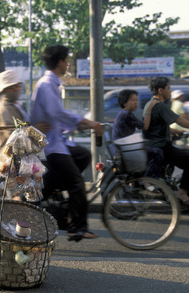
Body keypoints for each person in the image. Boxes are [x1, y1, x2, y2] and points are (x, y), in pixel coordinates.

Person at [29, 45, 103, 241]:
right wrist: (89, 123)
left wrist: (82, 125)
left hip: (58, 142)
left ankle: (54, 191)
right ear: (60, 61)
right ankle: (76, 227)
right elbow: (58, 114)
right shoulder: (46, 85)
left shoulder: (52, 84)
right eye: (67, 60)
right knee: (77, 182)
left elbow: (56, 118)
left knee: (84, 155)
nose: (68, 63)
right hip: (52, 147)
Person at [143, 77, 189, 206]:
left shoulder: (150, 103)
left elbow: (156, 125)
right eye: (168, 88)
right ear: (160, 90)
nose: (170, 91)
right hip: (162, 146)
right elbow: (179, 120)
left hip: (153, 144)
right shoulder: (160, 105)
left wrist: (174, 131)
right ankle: (182, 193)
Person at [111, 89, 163, 179]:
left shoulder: (124, 114)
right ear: (124, 103)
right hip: (124, 149)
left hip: (123, 148)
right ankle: (149, 180)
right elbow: (145, 126)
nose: (136, 103)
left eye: (136, 100)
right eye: (132, 100)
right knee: (157, 153)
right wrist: (149, 108)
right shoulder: (126, 114)